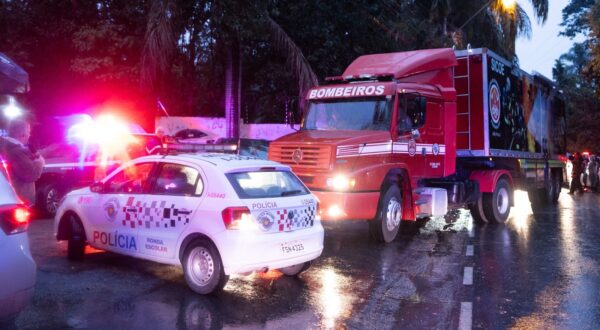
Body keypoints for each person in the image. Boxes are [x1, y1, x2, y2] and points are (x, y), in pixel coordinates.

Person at [0, 118, 45, 206]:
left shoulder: (6, 147)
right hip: (18, 200)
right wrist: (40, 161)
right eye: (28, 131)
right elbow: (31, 174)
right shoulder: (16, 151)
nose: (29, 134)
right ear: (22, 134)